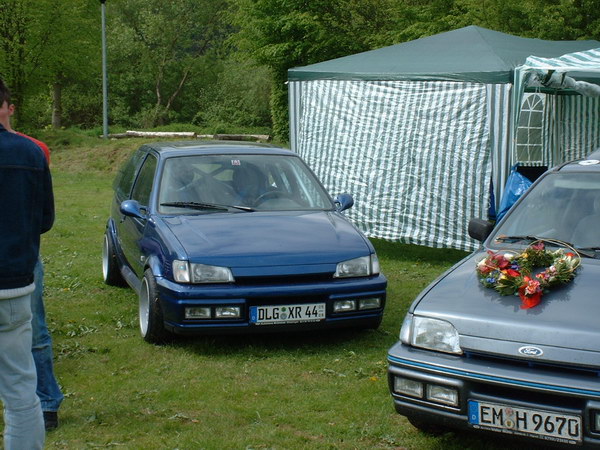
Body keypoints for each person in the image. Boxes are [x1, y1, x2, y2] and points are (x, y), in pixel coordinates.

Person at [0, 98, 64, 430]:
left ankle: (47, 401)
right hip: (18, 262)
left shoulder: (34, 149)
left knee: (35, 331)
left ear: (10, 107)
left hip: (21, 259)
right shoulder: (29, 153)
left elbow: (41, 213)